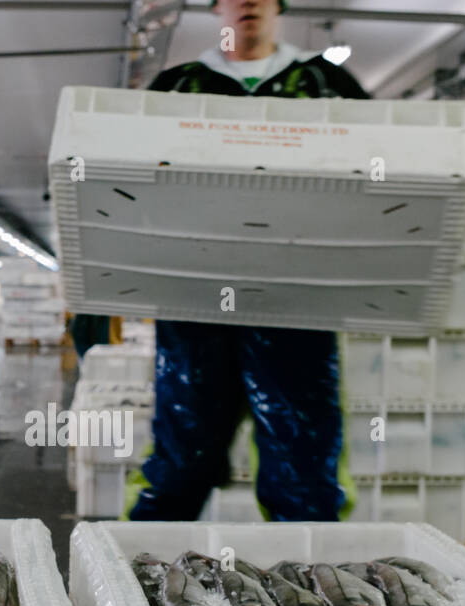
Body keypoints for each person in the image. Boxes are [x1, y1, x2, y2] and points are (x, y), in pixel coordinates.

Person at [128, 0, 366, 522]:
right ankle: (146, 576)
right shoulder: (177, 85)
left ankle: (310, 582)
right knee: (183, 445)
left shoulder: (325, 81)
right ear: (216, 6)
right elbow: (135, 184)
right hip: (194, 297)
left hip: (297, 299)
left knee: (303, 452)